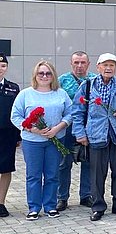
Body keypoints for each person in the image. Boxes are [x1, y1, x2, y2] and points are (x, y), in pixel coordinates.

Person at [72, 53, 116, 221]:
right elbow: (77, 112)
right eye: (105, 65)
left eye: (112, 65)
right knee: (97, 174)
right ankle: (98, 206)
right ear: (98, 67)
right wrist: (80, 133)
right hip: (96, 135)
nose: (108, 68)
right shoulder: (87, 86)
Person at [11, 61, 71, 220]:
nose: (44, 76)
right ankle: (34, 207)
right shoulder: (25, 94)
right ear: (35, 75)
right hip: (32, 142)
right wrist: (32, 129)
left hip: (55, 139)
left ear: (53, 76)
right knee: (34, 175)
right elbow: (15, 116)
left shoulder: (61, 93)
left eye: (48, 73)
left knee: (52, 174)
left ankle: (50, 206)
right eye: (41, 73)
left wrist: (57, 129)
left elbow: (70, 114)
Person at [56, 51, 96, 211]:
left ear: (88, 64)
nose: (79, 66)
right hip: (67, 127)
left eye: (83, 62)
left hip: (89, 126)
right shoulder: (62, 81)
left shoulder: (95, 80)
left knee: (88, 162)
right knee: (63, 163)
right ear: (71, 63)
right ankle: (62, 197)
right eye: (76, 63)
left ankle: (86, 195)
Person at [0, 53, 20, 217]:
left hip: (7, 136)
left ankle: (1, 203)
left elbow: (18, 113)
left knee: (6, 169)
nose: (0, 69)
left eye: (3, 66)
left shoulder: (13, 88)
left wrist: (18, 136)